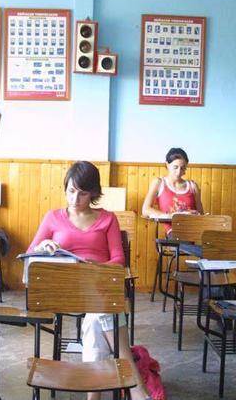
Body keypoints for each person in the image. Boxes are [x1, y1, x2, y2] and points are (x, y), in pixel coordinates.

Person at [28, 161, 151, 400]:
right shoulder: (53, 217)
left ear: (93, 193)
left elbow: (118, 261)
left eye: (82, 193)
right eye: (71, 191)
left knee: (96, 318)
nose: (75, 199)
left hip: (98, 286)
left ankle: (93, 397)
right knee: (104, 307)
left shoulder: (107, 219)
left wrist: (94, 267)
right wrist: (43, 247)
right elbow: (29, 252)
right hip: (66, 291)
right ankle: (136, 388)